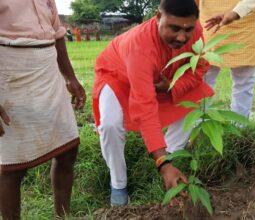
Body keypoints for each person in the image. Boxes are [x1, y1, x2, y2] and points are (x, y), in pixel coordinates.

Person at [92, 0, 214, 206]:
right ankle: (119, 183)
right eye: (174, 28)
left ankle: (172, 155)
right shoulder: (140, 48)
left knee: (201, 98)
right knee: (110, 125)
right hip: (118, 78)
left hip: (161, 80)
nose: (182, 37)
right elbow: (145, 109)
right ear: (158, 17)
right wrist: (162, 163)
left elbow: (199, 68)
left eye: (188, 29)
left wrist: (172, 87)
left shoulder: (195, 32)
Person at [0, 0, 86, 219]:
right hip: (10, 71)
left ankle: (62, 216)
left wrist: (70, 77)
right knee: (12, 165)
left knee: (67, 148)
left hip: (47, 69)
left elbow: (57, 35)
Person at [199, 0, 255, 118]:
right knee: (204, 76)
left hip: (247, 19)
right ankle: (198, 125)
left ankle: (239, 127)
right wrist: (192, 17)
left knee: (244, 79)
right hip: (208, 17)